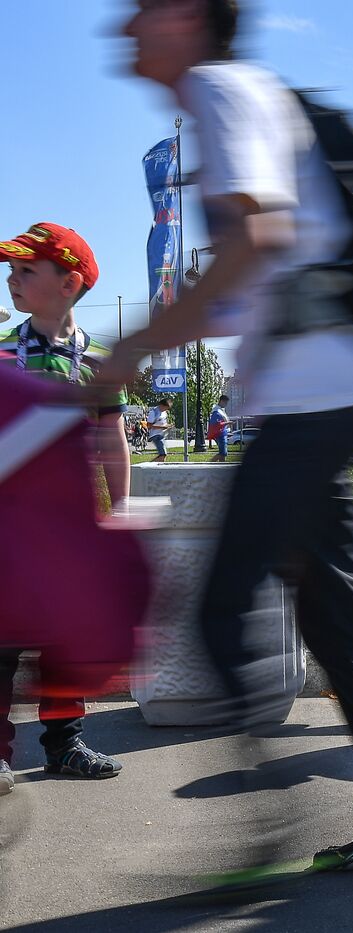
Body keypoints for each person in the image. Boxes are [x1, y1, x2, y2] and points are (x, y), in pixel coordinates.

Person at [107, 0, 353, 873]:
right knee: (341, 625)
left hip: (308, 404)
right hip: (322, 394)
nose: (125, 26)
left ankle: (261, 833)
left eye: (141, 9)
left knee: (221, 608)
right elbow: (264, 261)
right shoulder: (251, 94)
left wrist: (134, 349)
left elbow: (256, 238)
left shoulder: (221, 90)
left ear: (187, 15)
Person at [0, 221, 127, 784]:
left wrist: (121, 507)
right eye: (10, 270)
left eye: (27, 270)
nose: (11, 280)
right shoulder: (3, 354)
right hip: (9, 523)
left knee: (65, 638)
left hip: (72, 524)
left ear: (70, 284)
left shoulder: (99, 362)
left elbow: (113, 438)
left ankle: (65, 745)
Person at [148, 397, 173, 462]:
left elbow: (163, 423)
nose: (166, 410)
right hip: (155, 435)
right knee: (163, 454)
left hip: (161, 434)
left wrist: (168, 426)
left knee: (163, 455)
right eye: (165, 408)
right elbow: (149, 425)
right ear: (161, 405)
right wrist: (162, 427)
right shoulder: (153, 412)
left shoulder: (164, 412)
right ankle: (149, 466)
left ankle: (159, 468)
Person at [207, 393, 230, 461]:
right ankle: (209, 464)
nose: (226, 404)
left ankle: (221, 467)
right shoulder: (216, 411)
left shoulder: (220, 410)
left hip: (222, 433)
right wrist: (228, 423)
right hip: (220, 434)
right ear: (221, 401)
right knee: (223, 453)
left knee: (222, 453)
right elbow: (217, 424)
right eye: (225, 403)